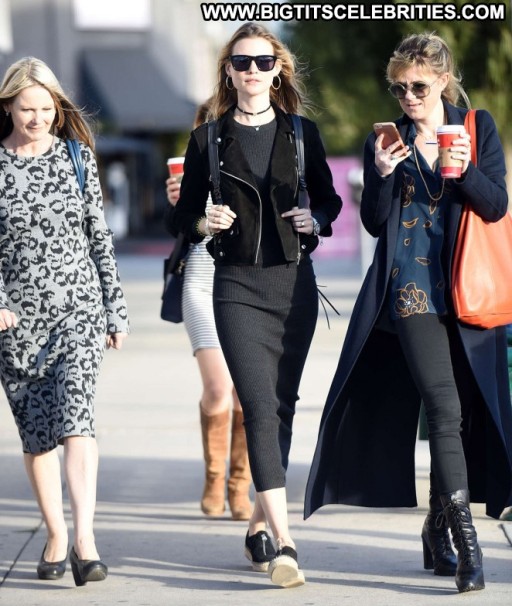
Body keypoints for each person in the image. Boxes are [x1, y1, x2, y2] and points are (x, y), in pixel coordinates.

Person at [304, 32, 512, 594]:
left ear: (442, 80)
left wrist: (464, 170)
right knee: (443, 410)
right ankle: (469, 548)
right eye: (398, 88)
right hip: (411, 292)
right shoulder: (387, 140)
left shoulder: (476, 129)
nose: (408, 97)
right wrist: (381, 172)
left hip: (468, 292)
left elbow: (496, 205)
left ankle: (435, 529)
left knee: (464, 418)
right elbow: (375, 223)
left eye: (418, 86)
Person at [171, 22, 342, 588]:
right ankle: (285, 543)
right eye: (242, 62)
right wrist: (204, 221)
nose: (252, 71)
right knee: (259, 407)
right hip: (235, 286)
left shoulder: (301, 133)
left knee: (282, 406)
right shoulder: (208, 139)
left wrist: (315, 220)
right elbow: (180, 216)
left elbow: (330, 199)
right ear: (228, 71)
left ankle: (257, 525)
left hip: (293, 285)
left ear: (278, 70)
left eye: (263, 62)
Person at [0, 57, 129, 586]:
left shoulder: (77, 157)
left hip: (79, 308)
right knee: (37, 435)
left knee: (77, 419)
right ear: (8, 107)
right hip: (16, 320)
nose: (38, 119)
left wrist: (115, 308)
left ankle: (84, 540)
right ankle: (55, 533)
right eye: (26, 109)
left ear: (58, 106)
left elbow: (99, 236)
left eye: (46, 109)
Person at [165, 99, 252, 522]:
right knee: (218, 387)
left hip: (244, 287)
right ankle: (215, 478)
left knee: (245, 392)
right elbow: (180, 228)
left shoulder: (251, 160)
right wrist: (178, 205)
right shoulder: (190, 169)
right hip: (200, 285)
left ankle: (239, 485)